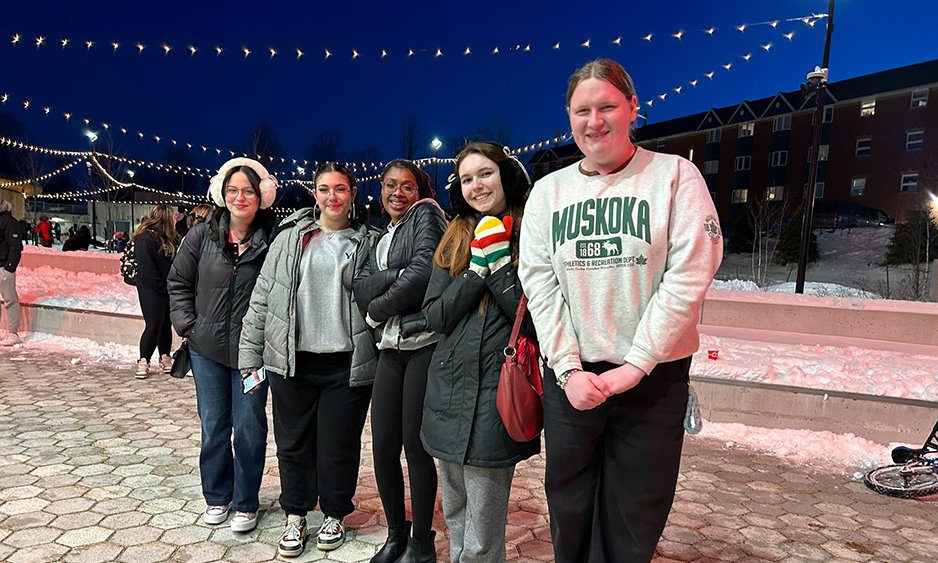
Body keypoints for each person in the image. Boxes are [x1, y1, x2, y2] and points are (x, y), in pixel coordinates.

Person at [518, 59, 724, 562]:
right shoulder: (548, 193)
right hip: (573, 380)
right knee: (569, 507)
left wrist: (637, 364)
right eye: (582, 110)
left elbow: (689, 275)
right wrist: (567, 369)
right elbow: (540, 284)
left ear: (632, 108)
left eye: (607, 106)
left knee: (636, 510)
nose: (595, 121)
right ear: (568, 117)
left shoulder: (676, 176)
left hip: (653, 379)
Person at [240, 162, 379, 558]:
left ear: (352, 192)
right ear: (313, 193)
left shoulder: (368, 241)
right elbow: (263, 296)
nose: (331, 197)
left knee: (338, 445)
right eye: (323, 189)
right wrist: (250, 355)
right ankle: (295, 513)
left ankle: (335, 512)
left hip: (347, 363)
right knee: (293, 444)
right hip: (292, 363)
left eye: (339, 189)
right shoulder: (290, 239)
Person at [421, 142, 540, 562]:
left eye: (485, 173)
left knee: (483, 532)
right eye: (468, 178)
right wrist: (475, 271)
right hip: (448, 395)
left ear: (506, 176)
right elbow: (435, 316)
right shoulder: (454, 237)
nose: (477, 185)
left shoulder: (532, 232)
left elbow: (536, 323)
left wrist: (501, 267)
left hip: (496, 396)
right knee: (455, 512)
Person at [168, 157, 279, 534]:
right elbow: (178, 282)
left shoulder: (273, 239)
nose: (240, 197)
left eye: (248, 190)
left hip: (253, 355)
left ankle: (247, 502)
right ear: (221, 193)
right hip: (207, 352)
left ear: (261, 195)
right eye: (233, 190)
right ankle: (217, 495)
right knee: (214, 425)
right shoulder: (201, 235)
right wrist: (189, 327)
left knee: (249, 427)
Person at [353, 159, 446, 563]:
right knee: (383, 446)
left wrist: (375, 312)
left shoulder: (427, 214)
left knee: (415, 446)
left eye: (407, 186)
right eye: (390, 185)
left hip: (422, 343)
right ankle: (396, 533)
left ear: (420, 189)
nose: (397, 193)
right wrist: (394, 278)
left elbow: (424, 272)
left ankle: (422, 543)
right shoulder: (382, 233)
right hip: (390, 348)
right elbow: (358, 284)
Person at [130, 205, 181, 378]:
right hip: (150, 288)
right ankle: (144, 359)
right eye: (172, 217)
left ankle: (165, 355)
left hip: (168, 287)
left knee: (166, 323)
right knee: (153, 324)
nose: (175, 220)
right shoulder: (145, 238)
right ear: (165, 218)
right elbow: (147, 268)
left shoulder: (172, 239)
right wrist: (163, 287)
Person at [0, 198, 23, 346]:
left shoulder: (9, 222)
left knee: (10, 300)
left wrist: (10, 266)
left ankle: (13, 333)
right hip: (3, 265)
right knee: (9, 300)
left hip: (4, 267)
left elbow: (15, 245)